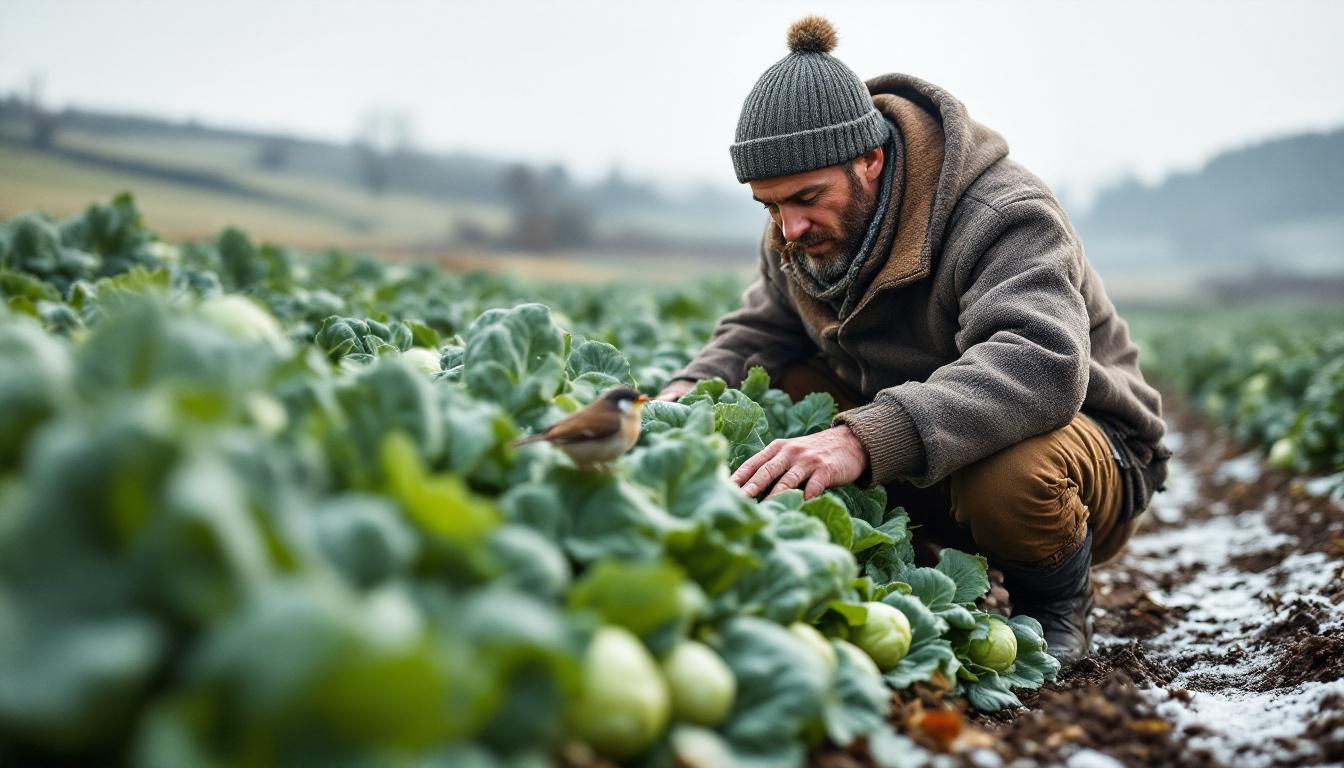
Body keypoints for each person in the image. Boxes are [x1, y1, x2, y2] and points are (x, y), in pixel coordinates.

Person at [655, 16, 1172, 665]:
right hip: (931, 451)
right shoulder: (801, 231)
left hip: (1080, 450)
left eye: (806, 197)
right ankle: (920, 559)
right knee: (778, 387)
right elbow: (761, 326)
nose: (788, 227)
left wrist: (858, 439)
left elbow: (1039, 364)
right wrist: (683, 393)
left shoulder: (1000, 213)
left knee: (1007, 475)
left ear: (869, 159)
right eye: (769, 206)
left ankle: (1055, 611)